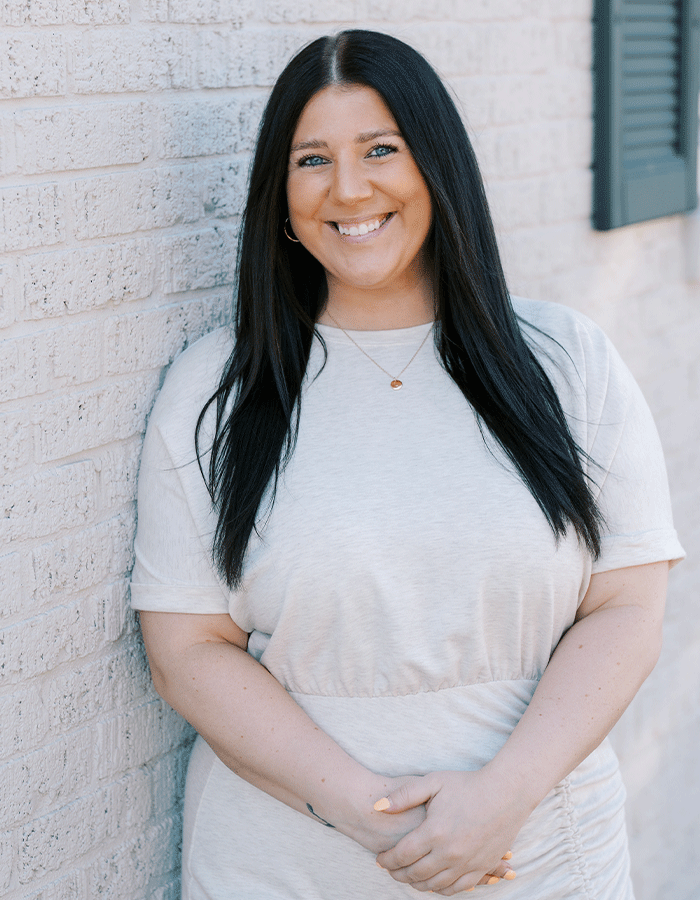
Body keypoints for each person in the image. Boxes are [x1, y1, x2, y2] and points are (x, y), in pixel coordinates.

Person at [130, 29, 684, 899]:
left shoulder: (567, 363)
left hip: (538, 862)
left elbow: (626, 607)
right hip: (285, 869)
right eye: (313, 158)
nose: (349, 189)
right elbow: (187, 647)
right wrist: (370, 812)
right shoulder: (217, 389)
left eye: (381, 149)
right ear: (281, 193)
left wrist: (500, 800)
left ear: (438, 166)